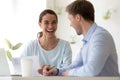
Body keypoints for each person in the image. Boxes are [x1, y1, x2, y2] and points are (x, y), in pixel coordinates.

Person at [38, 0, 119, 76]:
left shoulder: (100, 36)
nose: (70, 24)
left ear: (78, 17)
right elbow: (75, 65)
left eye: (70, 19)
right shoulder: (87, 40)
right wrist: (56, 71)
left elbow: (92, 70)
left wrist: (69, 73)